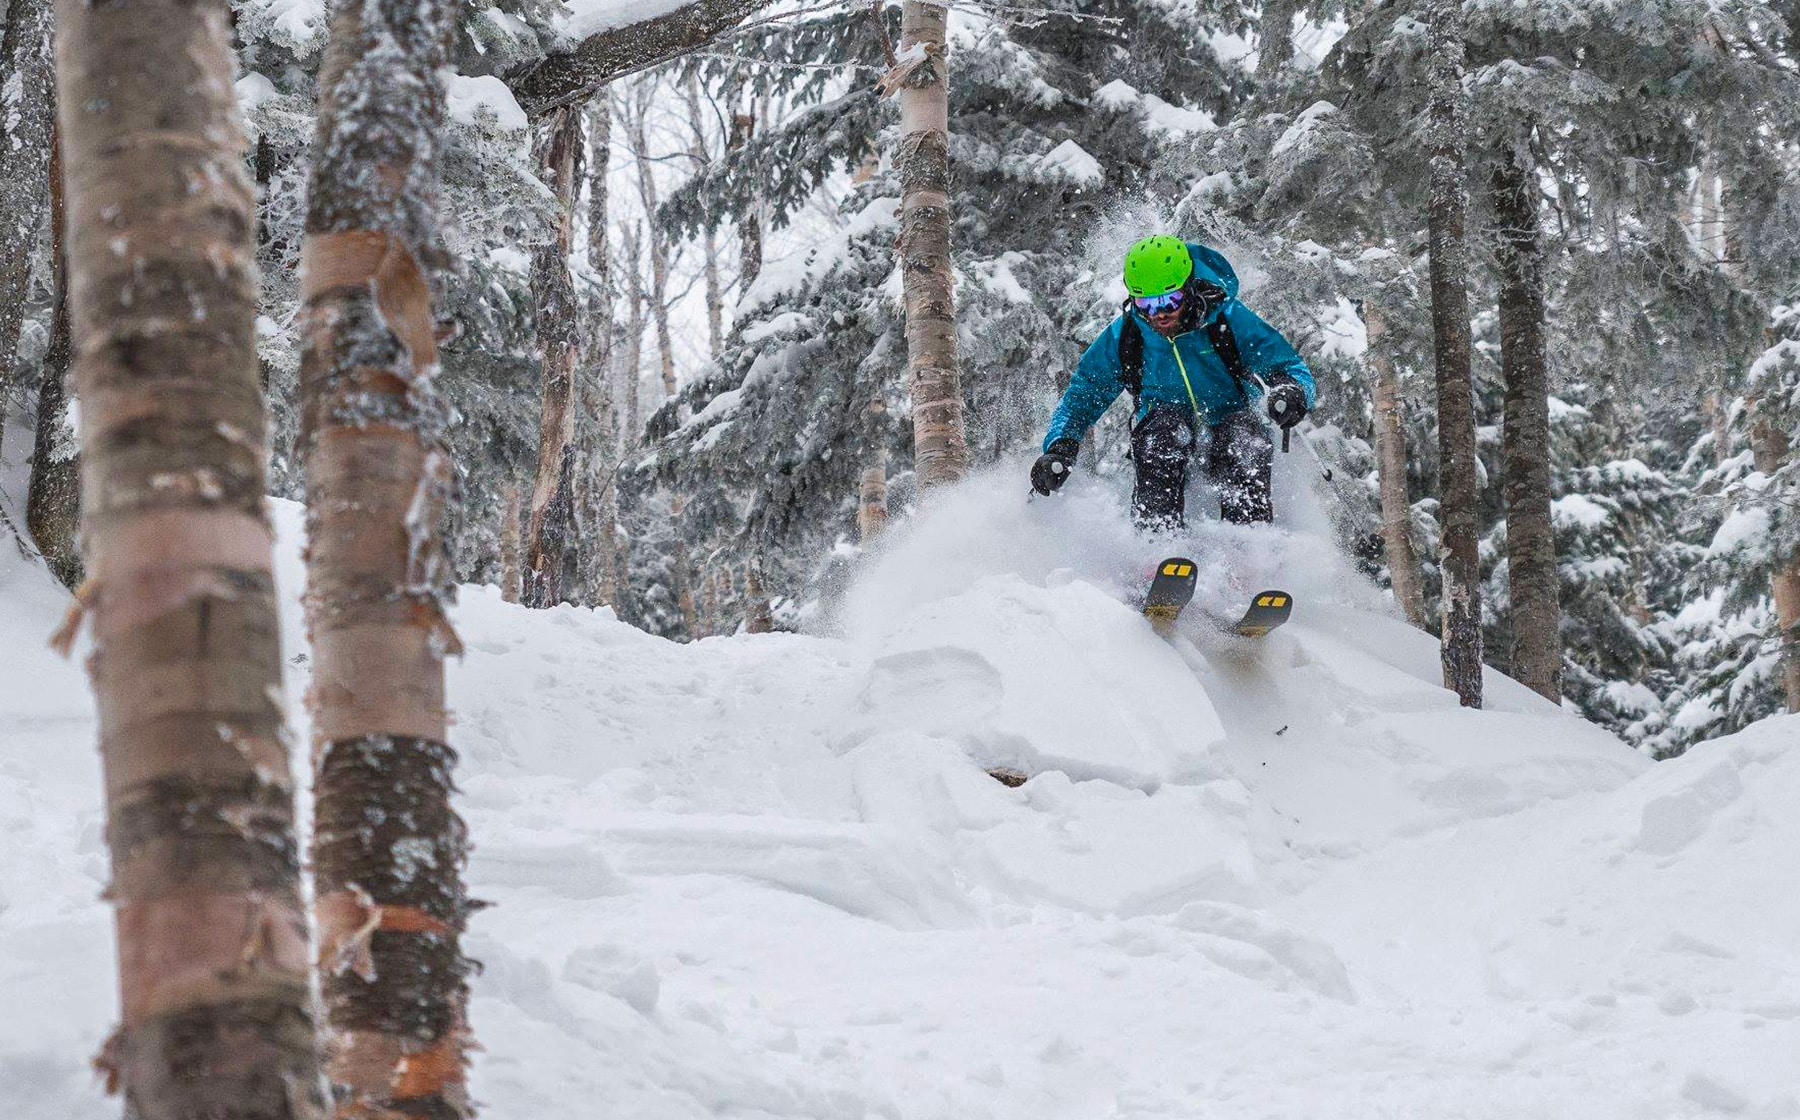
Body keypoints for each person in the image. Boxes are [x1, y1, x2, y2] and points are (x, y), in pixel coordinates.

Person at [1030, 236, 1316, 531]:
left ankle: (1250, 547)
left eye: (1170, 300)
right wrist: (1061, 446)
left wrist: (1290, 389)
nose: (1160, 313)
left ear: (1188, 288)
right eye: (1147, 303)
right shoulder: (1128, 335)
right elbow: (1084, 393)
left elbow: (1288, 366)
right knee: (1163, 432)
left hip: (1228, 423)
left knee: (1243, 439)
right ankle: (1157, 544)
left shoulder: (1227, 320)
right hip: (1165, 433)